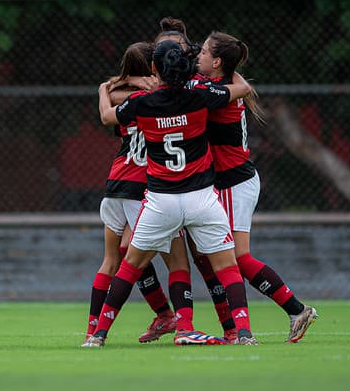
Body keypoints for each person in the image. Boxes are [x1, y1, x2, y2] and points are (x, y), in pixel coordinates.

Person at [82, 39, 259, 348]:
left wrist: (105, 89)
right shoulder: (200, 96)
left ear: (154, 69)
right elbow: (238, 90)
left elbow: (108, 117)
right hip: (201, 197)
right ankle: (243, 333)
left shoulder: (142, 102)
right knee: (226, 265)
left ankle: (97, 335)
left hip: (160, 200)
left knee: (130, 265)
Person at [196, 31, 318, 342]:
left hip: (233, 182)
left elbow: (193, 94)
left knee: (237, 257)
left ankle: (291, 311)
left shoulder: (220, 92)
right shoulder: (230, 83)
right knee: (223, 257)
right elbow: (239, 83)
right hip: (234, 180)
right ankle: (265, 319)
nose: (198, 55)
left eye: (205, 52)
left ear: (218, 62)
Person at [85, 41, 176, 344]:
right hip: (142, 184)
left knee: (118, 257)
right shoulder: (160, 98)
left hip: (119, 180)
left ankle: (94, 330)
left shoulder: (122, 98)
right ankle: (169, 315)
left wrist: (107, 88)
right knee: (138, 258)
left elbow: (110, 99)